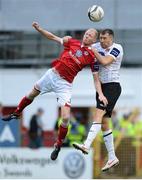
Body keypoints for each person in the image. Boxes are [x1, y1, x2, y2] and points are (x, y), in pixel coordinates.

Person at [2, 22, 108, 160]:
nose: (86, 36)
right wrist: (40, 29)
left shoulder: (93, 57)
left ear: (94, 40)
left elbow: (95, 78)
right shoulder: (71, 41)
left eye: (90, 36)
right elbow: (53, 37)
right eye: (86, 33)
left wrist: (100, 94)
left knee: (65, 118)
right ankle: (16, 113)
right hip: (52, 74)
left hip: (65, 84)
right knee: (30, 94)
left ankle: (58, 145)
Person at [73, 29, 123, 171]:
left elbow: (105, 62)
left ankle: (86, 145)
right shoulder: (96, 47)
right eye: (100, 38)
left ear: (111, 38)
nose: (101, 40)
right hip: (101, 88)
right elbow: (95, 76)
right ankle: (112, 157)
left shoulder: (117, 48)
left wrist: (92, 50)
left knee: (97, 115)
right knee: (105, 123)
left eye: (104, 38)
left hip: (113, 86)